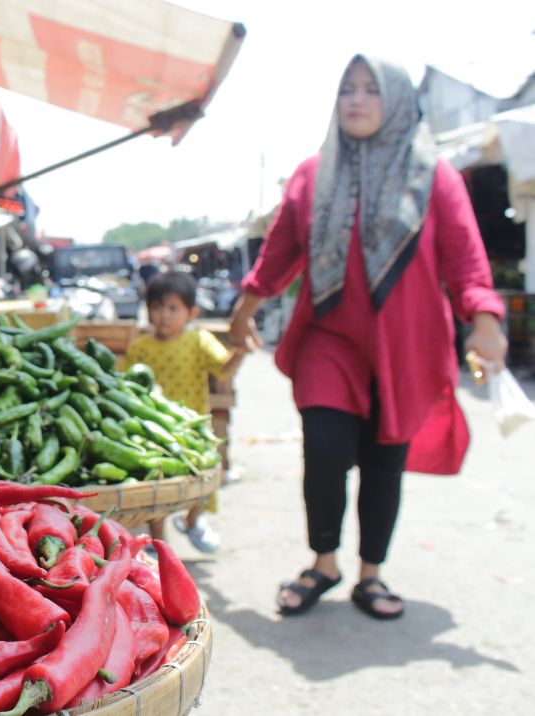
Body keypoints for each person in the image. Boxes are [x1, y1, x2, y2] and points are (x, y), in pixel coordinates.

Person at [228, 55, 508, 620]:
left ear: (398, 101)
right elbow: (279, 251)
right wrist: (244, 310)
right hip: (328, 340)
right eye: (346, 90)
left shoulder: (434, 174)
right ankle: (323, 562)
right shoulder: (313, 172)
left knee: (385, 461)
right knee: (325, 450)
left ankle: (370, 575)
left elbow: (465, 256)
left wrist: (484, 318)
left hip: (404, 346)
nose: (355, 100)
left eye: (370, 90)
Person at [127, 271, 249, 553]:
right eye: (157, 307)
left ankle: (194, 520)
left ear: (191, 312)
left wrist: (240, 353)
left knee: (205, 476)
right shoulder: (140, 348)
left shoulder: (199, 340)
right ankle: (158, 542)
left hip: (194, 426)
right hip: (154, 429)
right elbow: (126, 386)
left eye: (172, 308)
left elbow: (222, 367)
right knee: (156, 482)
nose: (164, 315)